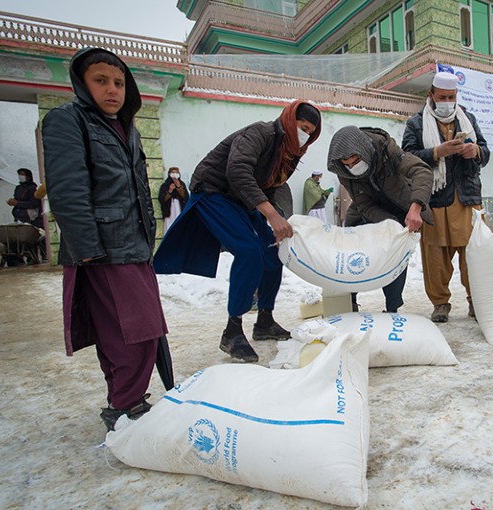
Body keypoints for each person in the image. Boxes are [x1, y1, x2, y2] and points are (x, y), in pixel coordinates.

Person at [41, 47, 169, 431]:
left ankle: (125, 401)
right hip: (105, 250)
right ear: (82, 83)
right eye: (101, 81)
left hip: (133, 246)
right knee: (136, 334)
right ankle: (126, 406)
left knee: (132, 331)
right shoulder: (68, 120)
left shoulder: (125, 127)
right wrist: (90, 249)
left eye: (118, 82)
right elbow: (67, 190)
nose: (112, 90)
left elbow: (138, 189)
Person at [153, 100, 321, 363]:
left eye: (310, 131)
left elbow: (269, 186)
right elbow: (238, 171)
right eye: (302, 126)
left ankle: (264, 321)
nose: (305, 134)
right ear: (289, 120)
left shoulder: (289, 153)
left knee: (271, 252)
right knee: (248, 250)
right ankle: (232, 331)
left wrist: (274, 218)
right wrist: (272, 215)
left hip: (242, 200)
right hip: (214, 192)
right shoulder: (260, 134)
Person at [402, 71, 490, 323]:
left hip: (467, 198)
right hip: (436, 198)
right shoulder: (416, 124)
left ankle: (477, 299)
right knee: (435, 256)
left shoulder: (468, 119)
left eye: (451, 97)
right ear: (431, 95)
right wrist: (435, 152)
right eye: (442, 97)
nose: (447, 101)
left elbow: (485, 151)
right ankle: (440, 303)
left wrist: (475, 151)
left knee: (473, 254)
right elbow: (407, 157)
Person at [327, 126, 433, 313]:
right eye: (347, 164)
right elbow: (364, 205)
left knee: (395, 255)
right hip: (367, 210)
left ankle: (392, 308)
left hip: (401, 205)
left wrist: (416, 207)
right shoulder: (343, 172)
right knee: (352, 254)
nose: (352, 167)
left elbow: (421, 171)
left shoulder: (387, 149)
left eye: (356, 161)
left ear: (364, 151)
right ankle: (349, 301)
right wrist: (388, 223)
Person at [158, 166, 188, 232]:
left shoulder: (182, 184)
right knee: (169, 226)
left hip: (179, 207)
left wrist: (179, 187)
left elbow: (185, 197)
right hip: (169, 209)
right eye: (172, 172)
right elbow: (162, 198)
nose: (174, 174)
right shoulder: (165, 185)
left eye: (176, 172)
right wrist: (170, 191)